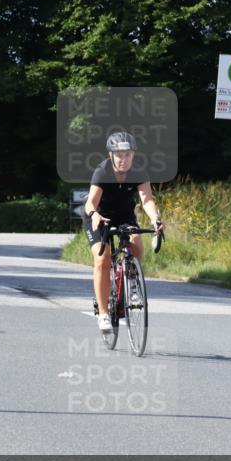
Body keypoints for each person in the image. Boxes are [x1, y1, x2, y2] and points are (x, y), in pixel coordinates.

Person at [82, 132, 165, 332]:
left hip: (124, 216)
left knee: (136, 245)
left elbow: (147, 199)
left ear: (133, 155)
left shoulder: (139, 172)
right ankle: (103, 314)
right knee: (103, 259)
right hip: (99, 217)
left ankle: (132, 283)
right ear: (111, 155)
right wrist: (94, 214)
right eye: (119, 155)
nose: (123, 159)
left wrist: (155, 219)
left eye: (127, 155)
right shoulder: (102, 172)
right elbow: (90, 203)